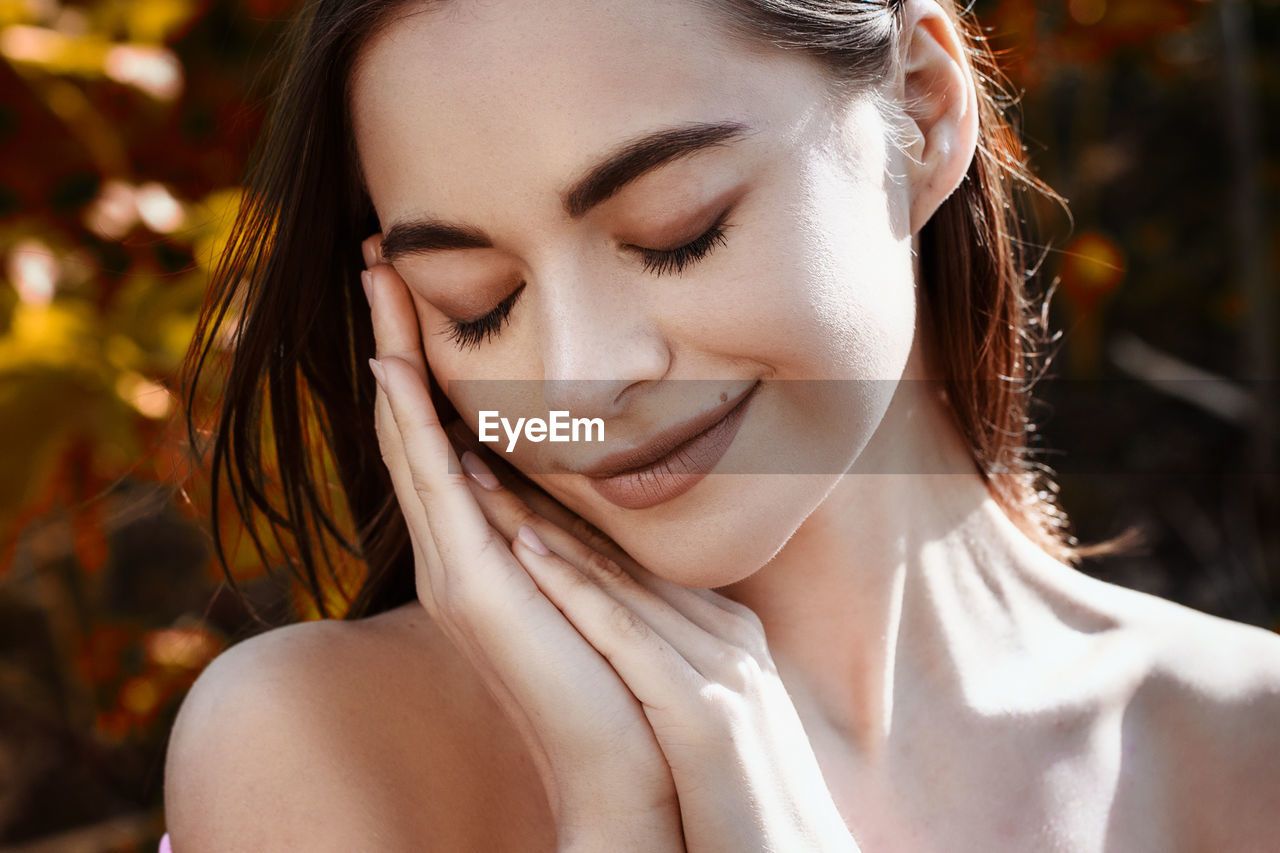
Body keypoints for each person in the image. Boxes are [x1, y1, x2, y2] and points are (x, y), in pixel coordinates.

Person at [161, 0, 1280, 849]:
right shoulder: (323, 746)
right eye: (478, 303)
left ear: (922, 113)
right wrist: (616, 811)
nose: (577, 380)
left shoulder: (1248, 747)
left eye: (677, 231)